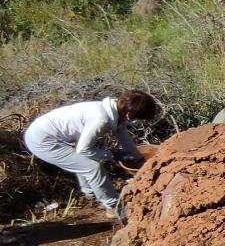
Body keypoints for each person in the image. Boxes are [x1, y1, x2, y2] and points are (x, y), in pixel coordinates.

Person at [23, 90, 158, 218]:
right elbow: (83, 150)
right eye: (138, 119)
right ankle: (113, 207)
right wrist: (112, 155)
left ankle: (90, 193)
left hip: (48, 134)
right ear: (129, 114)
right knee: (93, 167)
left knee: (86, 160)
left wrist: (140, 161)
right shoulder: (101, 119)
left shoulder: (116, 111)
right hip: (42, 141)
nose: (135, 122)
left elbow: (125, 139)